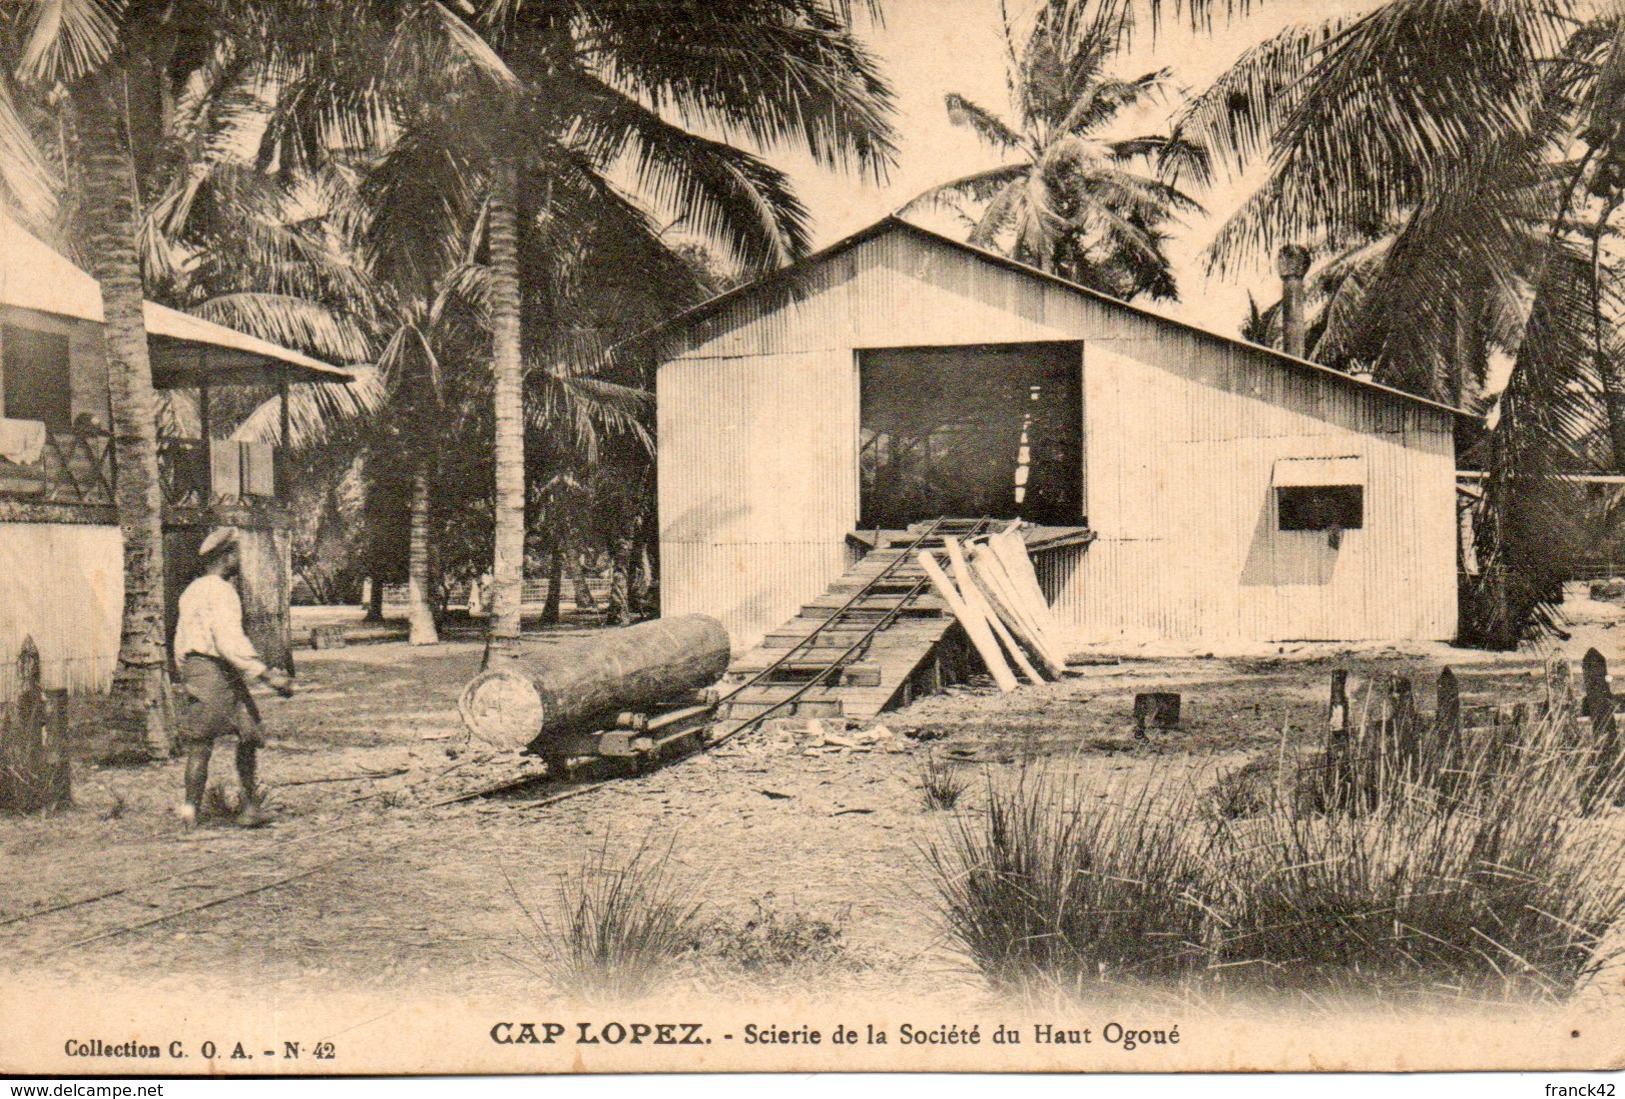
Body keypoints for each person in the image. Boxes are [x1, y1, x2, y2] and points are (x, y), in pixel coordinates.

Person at [172, 527, 294, 828]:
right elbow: (229, 641)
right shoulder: (222, 592)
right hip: (214, 669)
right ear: (225, 556)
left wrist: (186, 671)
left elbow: (180, 638)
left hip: (198, 668)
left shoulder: (193, 590)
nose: (239, 559)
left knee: (223, 738)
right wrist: (265, 676)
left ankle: (208, 812)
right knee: (227, 737)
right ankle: (227, 810)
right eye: (236, 553)